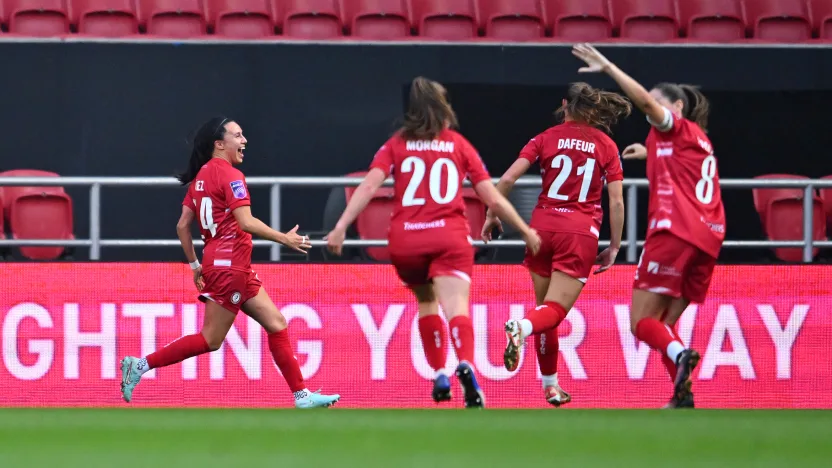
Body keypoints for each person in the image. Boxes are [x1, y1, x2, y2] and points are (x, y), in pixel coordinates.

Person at [326, 77, 541, 409]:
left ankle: (440, 372)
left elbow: (367, 186)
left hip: (406, 240)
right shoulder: (458, 144)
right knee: (456, 307)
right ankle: (465, 365)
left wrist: (341, 226)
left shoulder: (396, 144)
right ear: (444, 109)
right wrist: (525, 232)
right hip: (449, 238)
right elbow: (492, 198)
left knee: (426, 304)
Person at [119, 117, 340, 409]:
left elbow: (182, 226)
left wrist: (195, 265)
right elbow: (246, 222)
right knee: (210, 339)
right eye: (238, 135)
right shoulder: (231, 175)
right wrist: (283, 239)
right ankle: (140, 366)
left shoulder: (200, 178)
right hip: (230, 265)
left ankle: (302, 395)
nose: (244, 140)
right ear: (219, 144)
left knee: (277, 323)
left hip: (227, 265)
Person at [572, 43, 726, 408]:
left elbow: (644, 102)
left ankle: (680, 355)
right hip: (709, 238)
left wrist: (608, 67)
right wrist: (649, 152)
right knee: (663, 328)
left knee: (640, 323)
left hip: (675, 232)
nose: (650, 108)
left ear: (676, 108)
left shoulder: (674, 125)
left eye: (657, 103)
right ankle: (682, 395)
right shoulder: (694, 139)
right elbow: (681, 162)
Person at [484, 82, 630, 407]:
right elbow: (617, 200)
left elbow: (507, 179)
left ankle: (551, 386)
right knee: (552, 312)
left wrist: (492, 214)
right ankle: (519, 327)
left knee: (544, 311)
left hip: (542, 229)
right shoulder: (606, 144)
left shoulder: (544, 138)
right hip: (578, 233)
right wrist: (616, 245)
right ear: (593, 110)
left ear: (564, 104)